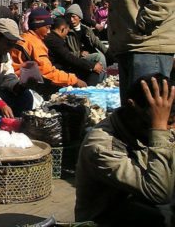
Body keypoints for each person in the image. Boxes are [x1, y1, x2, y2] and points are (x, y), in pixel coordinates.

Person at [75, 74, 175, 226]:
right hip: (105, 219)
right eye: (163, 123)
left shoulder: (147, 127)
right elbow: (158, 192)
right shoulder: (101, 145)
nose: (168, 129)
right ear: (132, 106)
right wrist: (159, 129)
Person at [11, 8, 86, 98]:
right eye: (47, 27)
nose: (49, 31)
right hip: (23, 86)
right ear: (37, 26)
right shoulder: (35, 44)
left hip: (15, 80)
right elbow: (47, 72)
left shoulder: (23, 37)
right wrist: (74, 80)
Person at [45, 17, 104, 86]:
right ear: (62, 29)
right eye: (67, 30)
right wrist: (92, 66)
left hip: (63, 68)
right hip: (59, 71)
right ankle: (90, 92)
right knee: (93, 71)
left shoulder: (54, 38)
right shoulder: (54, 40)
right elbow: (68, 57)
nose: (67, 33)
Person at [64, 4, 107, 84]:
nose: (71, 19)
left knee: (102, 54)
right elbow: (65, 51)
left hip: (89, 55)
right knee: (99, 57)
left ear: (79, 17)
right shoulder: (66, 32)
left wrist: (109, 53)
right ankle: (101, 82)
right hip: (77, 58)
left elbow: (97, 43)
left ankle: (101, 79)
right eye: (69, 17)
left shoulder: (86, 30)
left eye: (74, 17)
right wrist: (79, 53)